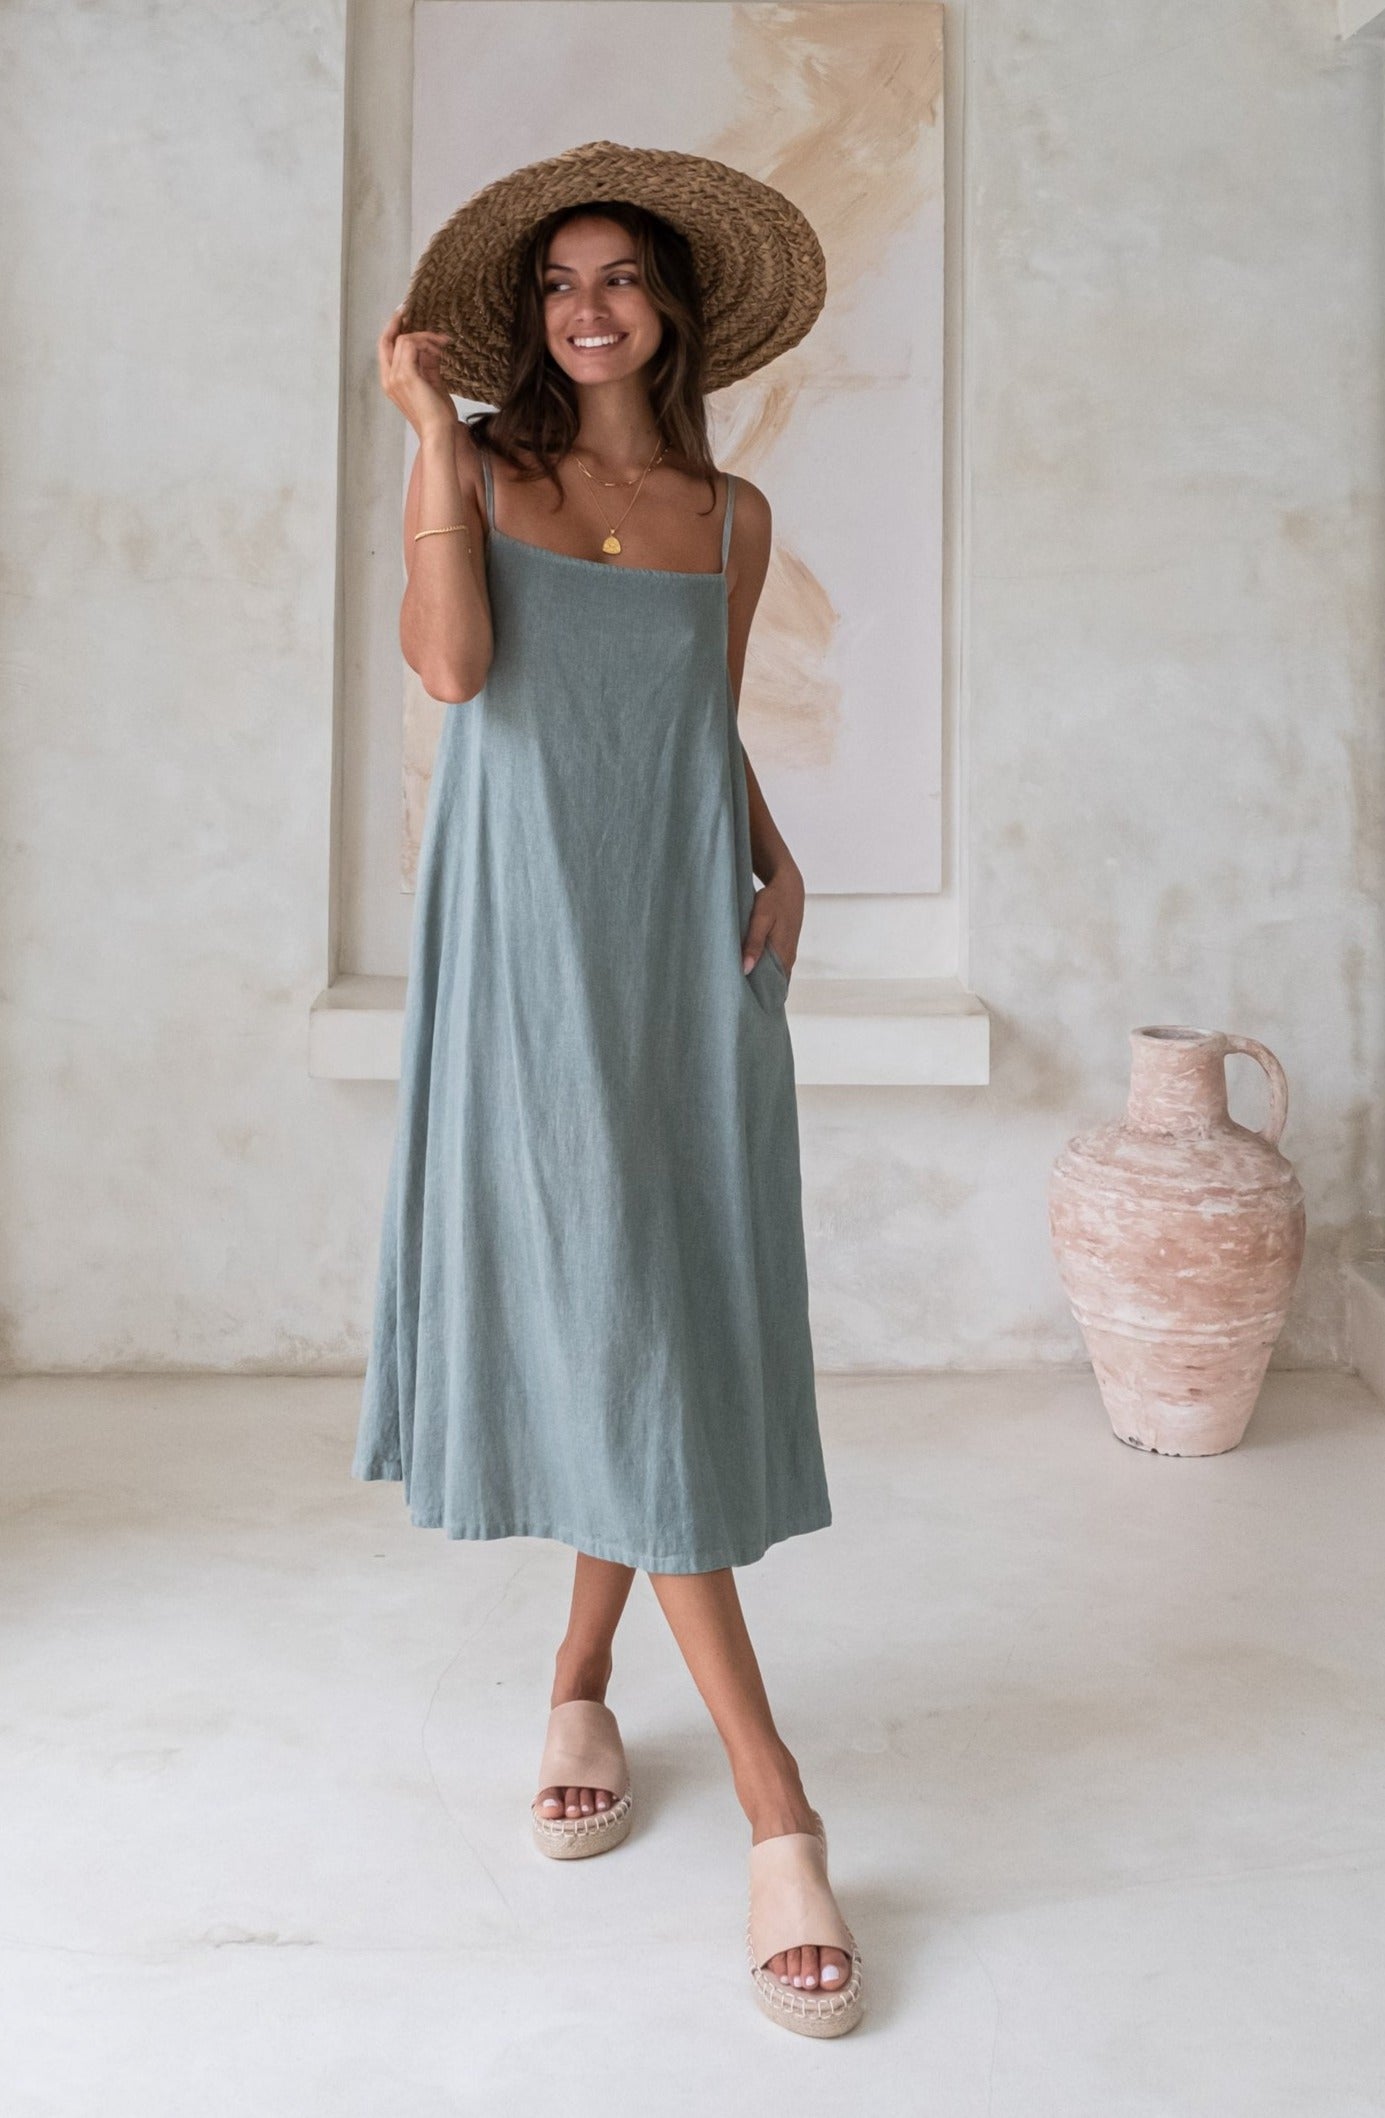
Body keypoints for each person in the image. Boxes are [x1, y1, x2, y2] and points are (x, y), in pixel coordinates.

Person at [352, 140, 863, 2037]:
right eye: (560, 283)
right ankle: (777, 1809)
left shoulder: (730, 513)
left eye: (620, 277)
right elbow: (451, 667)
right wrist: (427, 432)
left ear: (671, 309)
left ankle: (578, 1681)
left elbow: (695, 721)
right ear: (525, 317)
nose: (589, 307)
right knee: (623, 1311)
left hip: (682, 938)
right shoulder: (487, 474)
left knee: (645, 1305)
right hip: (525, 948)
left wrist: (776, 853)